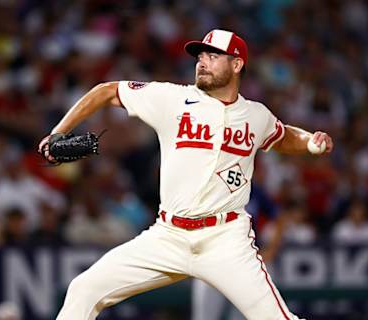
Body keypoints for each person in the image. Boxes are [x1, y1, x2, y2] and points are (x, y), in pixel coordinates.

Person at [38, 29, 333, 320]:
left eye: (213, 55)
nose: (202, 61)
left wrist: (309, 141)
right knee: (84, 289)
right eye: (200, 55)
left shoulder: (256, 115)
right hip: (168, 235)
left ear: (237, 64)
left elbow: (281, 136)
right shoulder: (172, 98)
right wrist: (58, 132)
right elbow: (107, 91)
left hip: (225, 240)